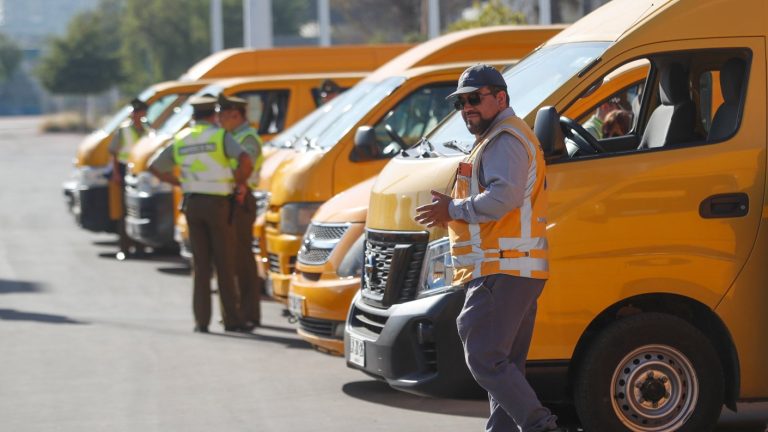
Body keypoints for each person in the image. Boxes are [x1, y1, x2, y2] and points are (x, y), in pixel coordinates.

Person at [414, 64, 565, 432]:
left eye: (475, 98)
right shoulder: (496, 137)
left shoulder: (505, 140)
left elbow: (503, 197)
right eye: (461, 102)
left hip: (503, 268)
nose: (467, 107)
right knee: (505, 366)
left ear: (501, 98)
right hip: (513, 268)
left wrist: (451, 209)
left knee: (483, 356)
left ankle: (540, 425)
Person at [148, 96, 253, 334]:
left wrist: (179, 182)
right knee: (225, 263)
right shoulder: (219, 136)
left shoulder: (181, 138)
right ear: (213, 115)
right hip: (218, 204)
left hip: (192, 203)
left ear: (193, 116)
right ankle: (232, 320)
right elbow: (245, 159)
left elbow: (154, 166)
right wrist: (239, 180)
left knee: (201, 265)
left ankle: (201, 321)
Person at [217, 94, 264, 327]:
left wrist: (239, 188)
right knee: (232, 257)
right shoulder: (232, 135)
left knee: (243, 259)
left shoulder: (247, 138)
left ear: (236, 114)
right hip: (232, 198)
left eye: (223, 115)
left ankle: (249, 313)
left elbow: (246, 168)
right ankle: (236, 310)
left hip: (242, 200)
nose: (219, 119)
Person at [108, 98, 148, 260]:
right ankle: (124, 247)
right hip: (126, 170)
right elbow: (114, 153)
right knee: (126, 210)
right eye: (135, 112)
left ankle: (140, 247)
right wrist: (116, 173)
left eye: (140, 112)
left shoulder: (147, 130)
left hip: (141, 171)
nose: (137, 115)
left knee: (140, 209)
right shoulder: (123, 131)